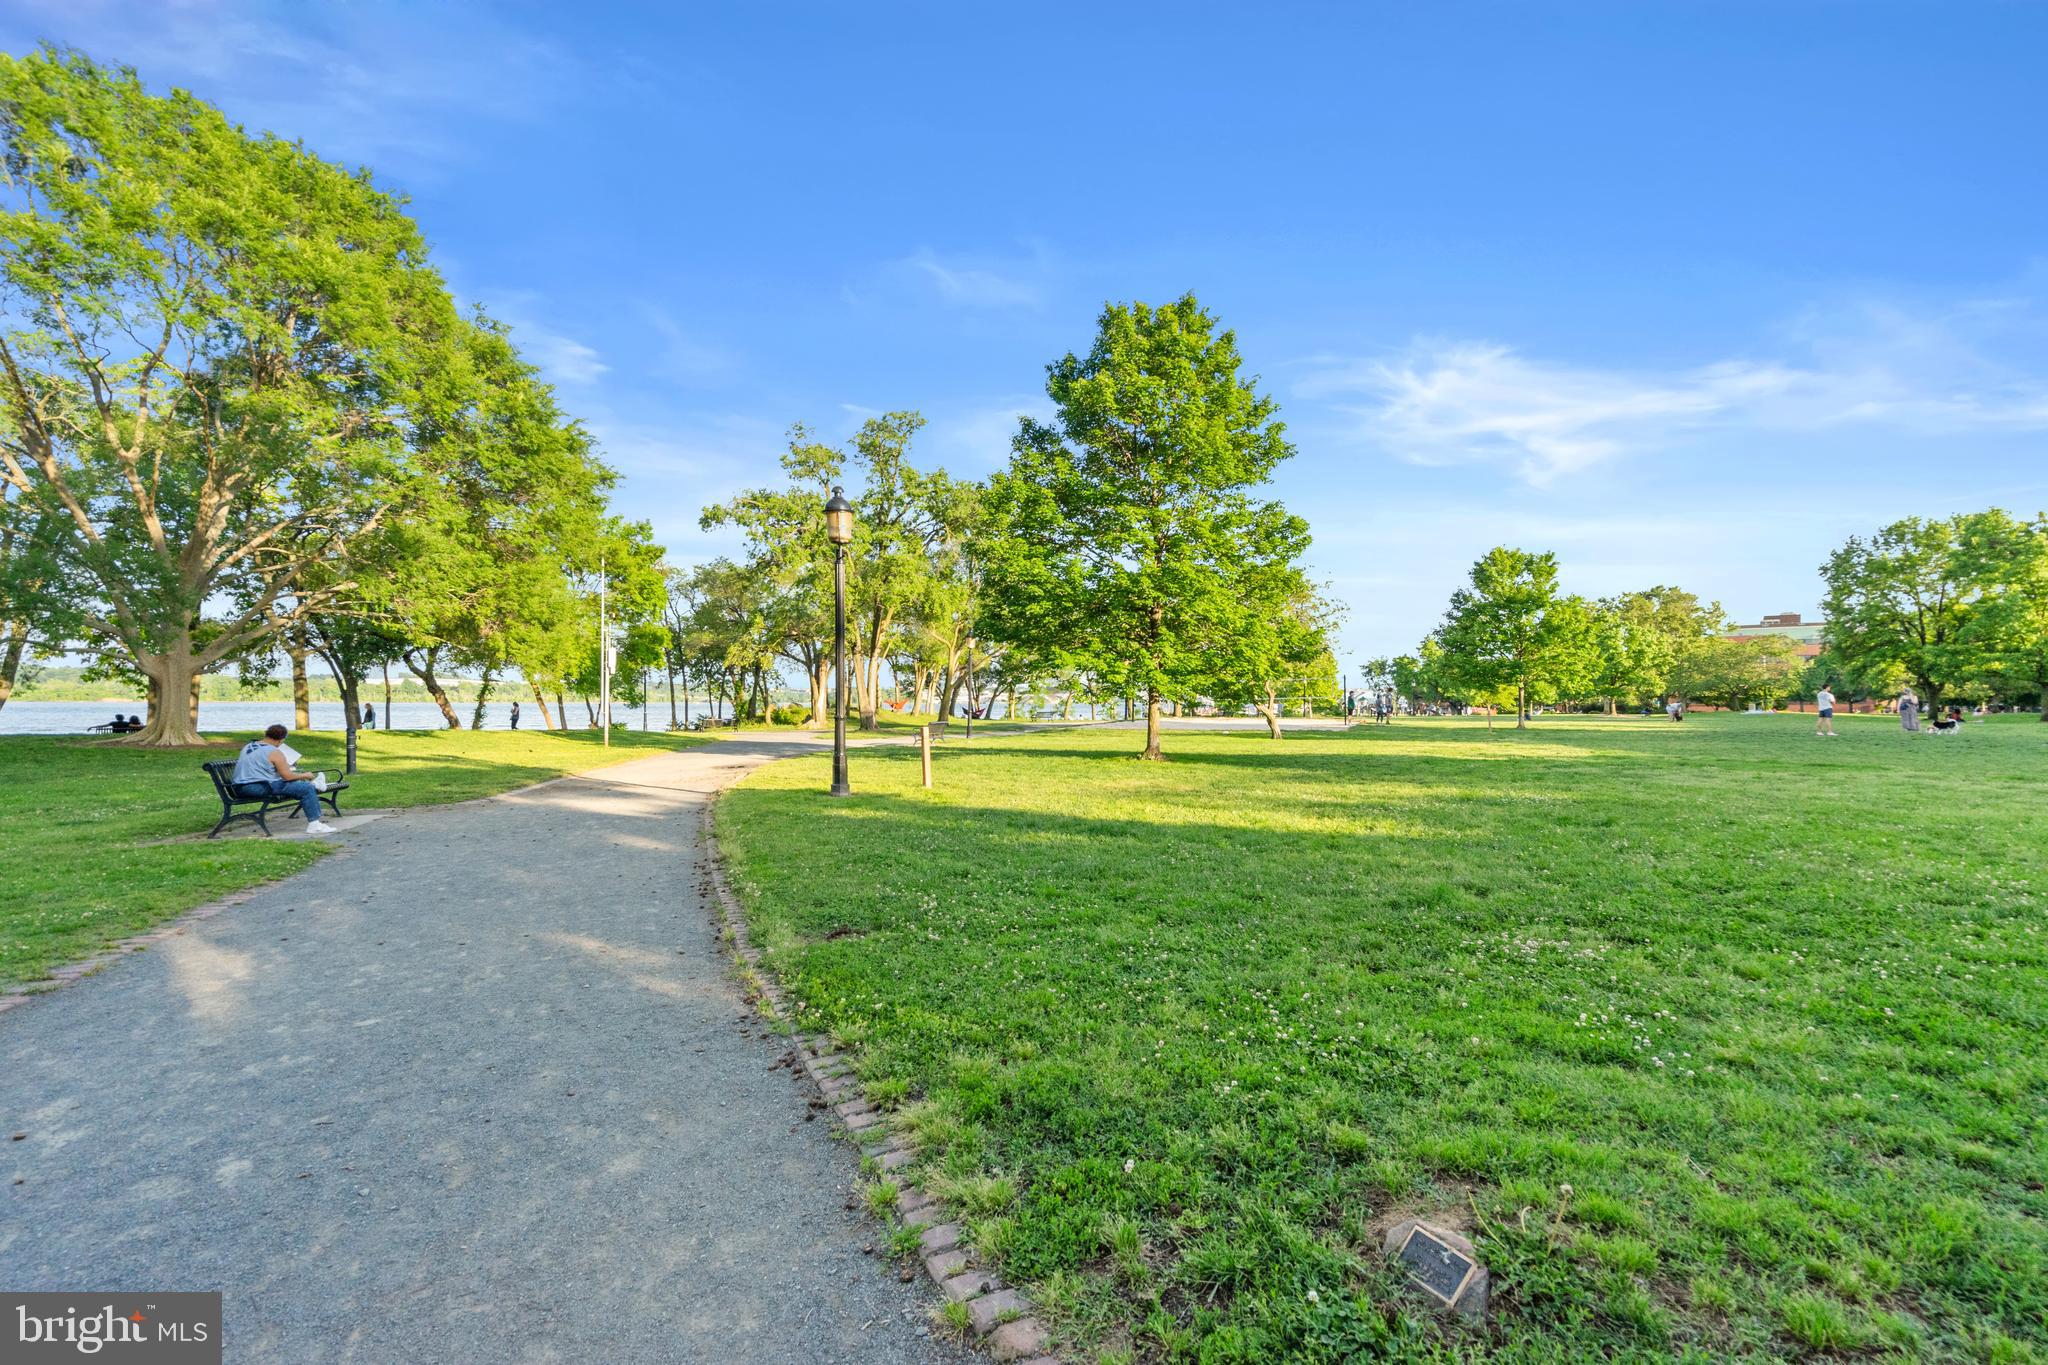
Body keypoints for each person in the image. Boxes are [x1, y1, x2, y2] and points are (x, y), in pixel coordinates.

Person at [230, 724, 336, 835]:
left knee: (296, 784)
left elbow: (261, 768)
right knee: (306, 788)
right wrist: (305, 775)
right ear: (281, 740)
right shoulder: (274, 752)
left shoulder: (249, 746)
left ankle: (316, 785)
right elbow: (287, 776)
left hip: (240, 787)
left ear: (266, 734)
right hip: (258, 787)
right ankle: (314, 825)